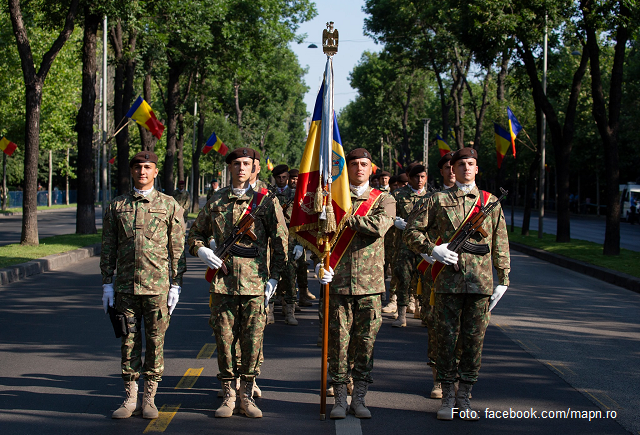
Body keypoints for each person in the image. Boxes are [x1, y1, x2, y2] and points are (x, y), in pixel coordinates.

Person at [404, 147, 510, 421]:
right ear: (453, 168)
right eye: (460, 164)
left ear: (477, 168)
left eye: (471, 163)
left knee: (474, 342)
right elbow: (411, 232)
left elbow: (500, 243)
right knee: (446, 341)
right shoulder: (437, 199)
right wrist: (433, 249)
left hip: (480, 284)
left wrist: (504, 280)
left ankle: (465, 397)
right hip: (447, 282)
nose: (465, 168)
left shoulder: (490, 201)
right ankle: (448, 396)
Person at [188, 147, 288, 419]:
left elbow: (280, 241)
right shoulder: (216, 200)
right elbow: (194, 234)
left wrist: (275, 278)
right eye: (236, 164)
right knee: (224, 341)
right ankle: (228, 394)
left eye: (246, 163)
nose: (241, 168)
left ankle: (247, 394)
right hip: (223, 285)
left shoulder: (266, 201)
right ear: (229, 168)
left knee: (253, 342)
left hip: (256, 284)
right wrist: (202, 251)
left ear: (254, 167)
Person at [100, 151, 186, 420]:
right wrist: (106, 283)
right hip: (125, 288)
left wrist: (176, 285)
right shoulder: (117, 206)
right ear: (132, 171)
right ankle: (129, 397)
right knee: (128, 342)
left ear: (156, 171)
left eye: (148, 167)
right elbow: (108, 247)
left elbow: (177, 248)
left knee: (156, 343)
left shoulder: (170, 205)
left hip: (158, 290)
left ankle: (149, 398)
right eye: (138, 167)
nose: (142, 172)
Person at [319, 148, 395, 419]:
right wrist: (319, 262)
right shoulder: (331, 198)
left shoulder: (384, 199)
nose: (359, 168)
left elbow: (379, 227)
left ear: (371, 168)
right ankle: (340, 399)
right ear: (346, 167)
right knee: (338, 346)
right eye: (354, 164)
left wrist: (344, 216)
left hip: (370, 286)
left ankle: (359, 398)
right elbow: (320, 234)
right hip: (337, 283)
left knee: (365, 346)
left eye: (364, 164)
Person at [391, 164, 428, 327]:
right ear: (409, 178)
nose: (419, 180)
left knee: (424, 279)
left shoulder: (431, 196)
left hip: (424, 245)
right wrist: (395, 221)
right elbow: (388, 215)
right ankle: (401, 314)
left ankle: (422, 310)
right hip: (404, 245)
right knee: (404, 279)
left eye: (423, 177)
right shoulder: (398, 195)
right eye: (416, 177)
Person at [271, 164, 300, 325]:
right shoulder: (269, 195)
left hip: (290, 239)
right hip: (272, 240)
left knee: (289, 275)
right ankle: (269, 310)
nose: (282, 180)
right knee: (271, 273)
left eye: (284, 177)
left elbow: (299, 220)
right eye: (279, 178)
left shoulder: (295, 196)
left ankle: (289, 310)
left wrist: (299, 244)